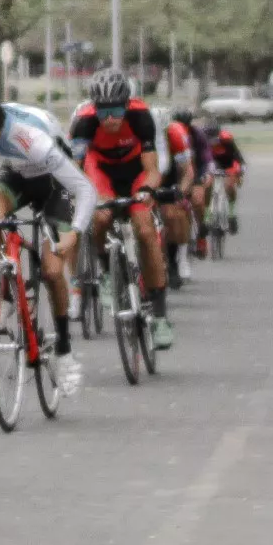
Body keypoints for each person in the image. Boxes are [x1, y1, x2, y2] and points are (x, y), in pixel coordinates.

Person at [0, 84, 95, 396]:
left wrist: (75, 231)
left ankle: (65, 350)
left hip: (55, 185)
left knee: (53, 271)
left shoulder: (31, 138)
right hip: (17, 175)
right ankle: (6, 296)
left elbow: (85, 189)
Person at [69, 69, 174, 350]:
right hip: (101, 169)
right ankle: (103, 272)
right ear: (95, 109)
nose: (111, 119)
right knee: (101, 215)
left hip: (135, 171)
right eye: (104, 112)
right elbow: (76, 170)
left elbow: (152, 170)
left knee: (145, 230)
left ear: (127, 105)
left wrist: (148, 191)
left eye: (116, 110)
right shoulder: (84, 123)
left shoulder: (141, 117)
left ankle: (160, 314)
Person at [151, 107, 195, 290]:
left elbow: (188, 172)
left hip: (170, 178)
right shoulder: (140, 132)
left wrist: (180, 191)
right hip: (145, 178)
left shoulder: (176, 134)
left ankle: (175, 260)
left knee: (172, 215)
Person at [173, 108, 215, 259]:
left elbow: (206, 158)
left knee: (198, 200)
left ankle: (201, 233)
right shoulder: (170, 135)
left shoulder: (197, 135)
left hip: (196, 173)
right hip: (176, 176)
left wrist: (205, 175)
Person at [202, 119, 245, 234]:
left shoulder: (226, 139)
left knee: (229, 186)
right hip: (213, 163)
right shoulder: (202, 140)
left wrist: (240, 169)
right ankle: (206, 216)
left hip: (229, 162)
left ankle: (231, 214)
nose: (212, 142)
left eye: (214, 139)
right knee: (207, 185)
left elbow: (237, 156)